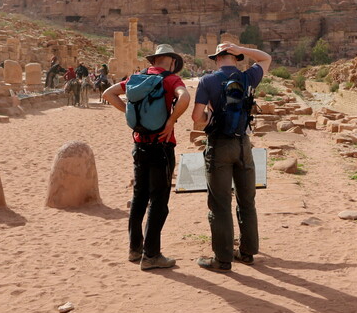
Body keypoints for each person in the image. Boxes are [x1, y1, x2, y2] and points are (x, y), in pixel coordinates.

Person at [102, 44, 190, 271]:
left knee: (139, 196)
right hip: (161, 146)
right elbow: (185, 97)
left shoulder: (135, 79)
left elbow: (108, 94)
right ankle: (151, 255)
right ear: (171, 61)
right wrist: (170, 122)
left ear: (154, 60)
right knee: (159, 201)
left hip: (139, 145)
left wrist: (131, 114)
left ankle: (135, 249)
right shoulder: (170, 80)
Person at [192, 42, 271, 273]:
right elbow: (266, 58)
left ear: (217, 59)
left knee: (220, 204)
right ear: (236, 58)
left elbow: (197, 117)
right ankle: (247, 253)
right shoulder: (248, 77)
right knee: (247, 201)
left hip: (219, 146)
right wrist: (242, 48)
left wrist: (210, 116)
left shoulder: (208, 81)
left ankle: (223, 259)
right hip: (243, 145)